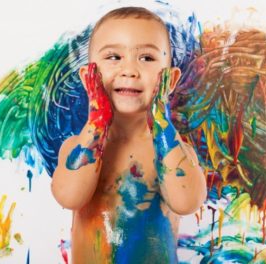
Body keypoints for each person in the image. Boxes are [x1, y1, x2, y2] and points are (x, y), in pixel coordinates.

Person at [51, 6, 207, 264]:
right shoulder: (77, 147)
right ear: (88, 76)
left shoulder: (174, 153)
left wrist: (161, 124)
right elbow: (69, 196)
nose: (130, 71)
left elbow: (187, 202)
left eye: (146, 58)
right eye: (113, 57)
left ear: (170, 78)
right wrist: (96, 124)